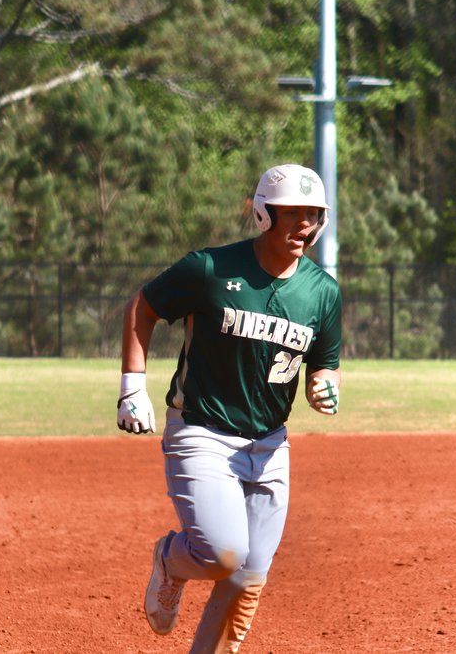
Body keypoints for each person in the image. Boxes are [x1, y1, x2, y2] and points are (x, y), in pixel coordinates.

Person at [117, 163, 342, 653]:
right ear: (265, 214)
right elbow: (144, 307)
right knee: (223, 555)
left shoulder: (322, 292)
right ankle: (171, 559)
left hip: (269, 444)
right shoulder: (212, 269)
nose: (304, 224)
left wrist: (324, 388)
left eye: (313, 214)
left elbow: (322, 366)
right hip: (202, 431)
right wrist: (132, 386)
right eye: (293, 213)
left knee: (247, 578)